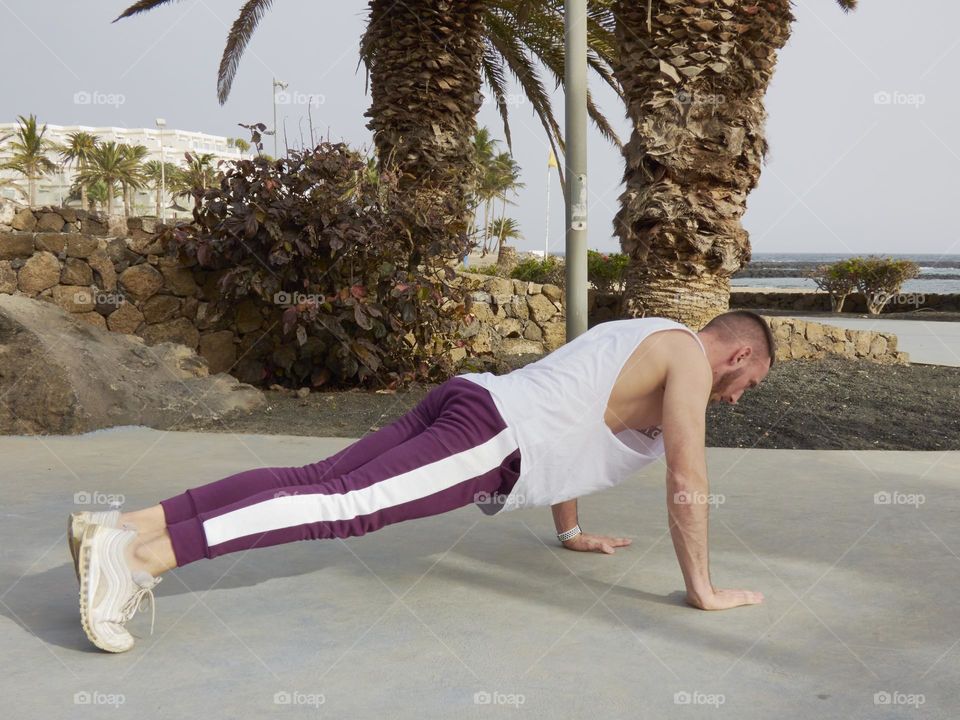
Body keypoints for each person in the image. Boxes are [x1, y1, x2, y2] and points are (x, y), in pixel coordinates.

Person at [70, 310, 775, 653]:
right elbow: (688, 472)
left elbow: (582, 419)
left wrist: (571, 529)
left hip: (472, 398)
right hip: (494, 434)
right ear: (739, 351)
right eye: (749, 382)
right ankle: (136, 561)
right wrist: (703, 589)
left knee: (317, 477)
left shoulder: (645, 332)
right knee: (346, 507)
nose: (738, 397)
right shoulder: (687, 355)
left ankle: (126, 525)